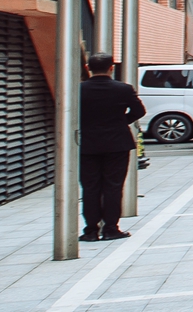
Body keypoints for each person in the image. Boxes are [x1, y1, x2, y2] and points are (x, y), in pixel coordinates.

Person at [78, 52, 144, 242]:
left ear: (88, 68)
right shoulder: (123, 89)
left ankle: (91, 230)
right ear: (111, 68)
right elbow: (139, 111)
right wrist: (120, 122)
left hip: (88, 143)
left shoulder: (79, 89)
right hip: (117, 142)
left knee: (90, 187)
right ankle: (111, 228)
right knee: (113, 186)